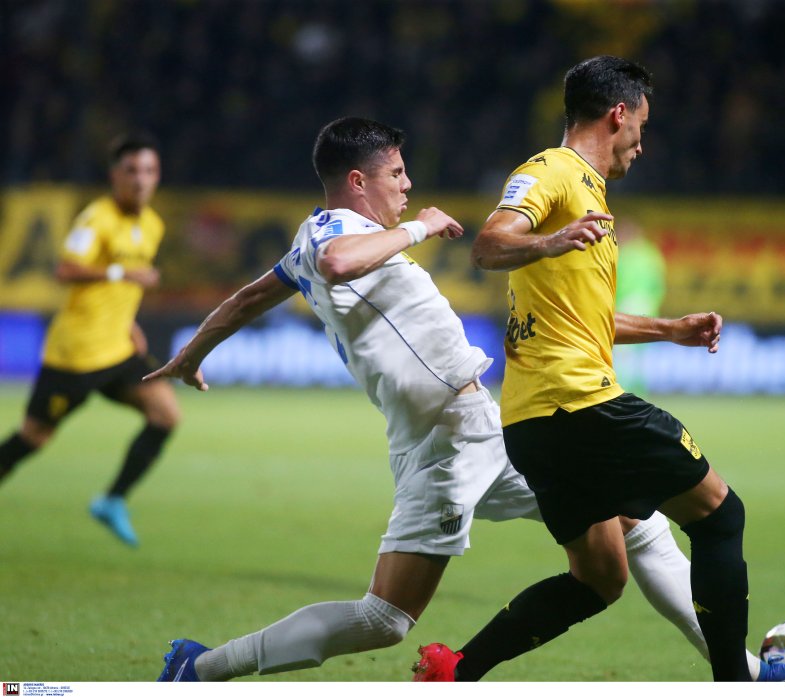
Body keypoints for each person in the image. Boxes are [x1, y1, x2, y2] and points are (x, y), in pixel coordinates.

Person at [151, 116, 726, 682]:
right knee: (385, 618)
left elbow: (247, 299)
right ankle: (199, 667)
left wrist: (191, 355)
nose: (407, 185)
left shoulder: (326, 242)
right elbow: (336, 261)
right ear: (358, 181)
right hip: (446, 444)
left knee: (635, 520)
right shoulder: (332, 233)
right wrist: (418, 228)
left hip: (486, 426)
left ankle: (741, 672)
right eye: (396, 174)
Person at [412, 56, 785, 682]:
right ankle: (737, 682)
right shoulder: (553, 171)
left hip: (535, 423)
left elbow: (584, 319)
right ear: (619, 114)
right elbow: (488, 244)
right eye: (642, 125)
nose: (642, 143)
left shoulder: (589, 192)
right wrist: (550, 240)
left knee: (599, 579)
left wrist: (669, 330)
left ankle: (455, 671)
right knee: (721, 514)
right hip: (581, 405)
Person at [0, 133, 179, 547]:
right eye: (131, 171)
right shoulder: (95, 218)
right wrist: (121, 272)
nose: (140, 180)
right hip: (76, 356)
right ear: (115, 175)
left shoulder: (152, 225)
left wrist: (129, 323)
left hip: (117, 349)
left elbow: (125, 292)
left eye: (149, 171)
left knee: (166, 414)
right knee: (34, 436)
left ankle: (112, 500)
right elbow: (65, 270)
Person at [612, 218, 667, 394]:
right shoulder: (651, 253)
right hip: (647, 307)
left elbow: (616, 283)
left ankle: (623, 393)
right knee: (638, 355)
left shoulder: (623, 254)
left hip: (628, 306)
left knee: (623, 354)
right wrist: (654, 304)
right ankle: (639, 392)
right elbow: (658, 284)